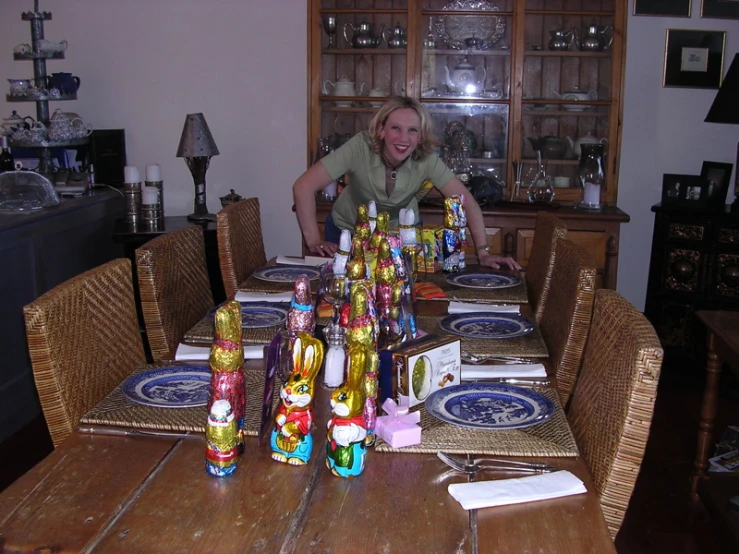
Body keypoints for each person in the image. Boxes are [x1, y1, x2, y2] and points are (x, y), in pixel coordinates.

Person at [292, 96, 521, 270]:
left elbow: (465, 201)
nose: (404, 138)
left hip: (399, 238)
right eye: (395, 128)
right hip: (348, 232)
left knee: (400, 300)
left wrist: (483, 252)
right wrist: (313, 240)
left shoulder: (427, 158)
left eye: (412, 130)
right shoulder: (359, 147)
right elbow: (303, 186)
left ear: (420, 136)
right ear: (381, 130)